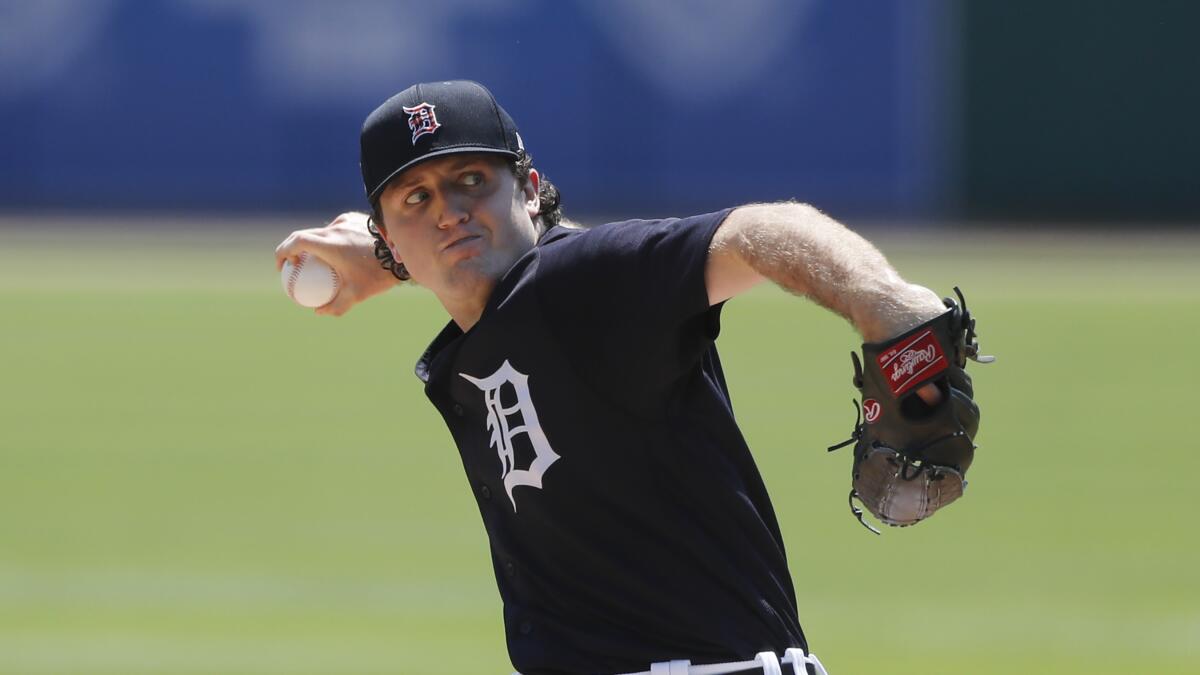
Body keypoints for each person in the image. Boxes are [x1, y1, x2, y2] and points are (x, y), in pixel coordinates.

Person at [274, 80, 948, 675]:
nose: (449, 209)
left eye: (472, 180)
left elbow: (761, 230)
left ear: (531, 190)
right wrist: (392, 259)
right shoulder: (513, 316)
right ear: (389, 240)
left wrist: (885, 302)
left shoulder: (582, 279)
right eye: (416, 197)